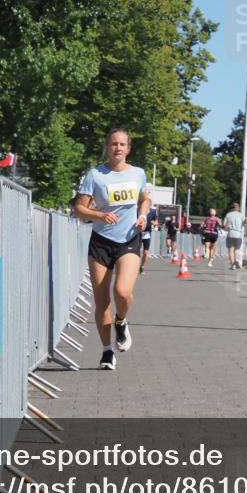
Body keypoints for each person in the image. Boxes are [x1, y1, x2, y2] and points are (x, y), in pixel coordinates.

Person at [74, 128, 151, 371]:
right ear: (107, 147)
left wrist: (143, 216)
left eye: (122, 144)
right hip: (100, 242)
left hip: (129, 239)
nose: (118, 148)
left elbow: (144, 199)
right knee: (102, 301)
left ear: (128, 149)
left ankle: (121, 321)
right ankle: (107, 352)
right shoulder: (95, 175)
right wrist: (99, 215)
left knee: (122, 291)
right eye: (113, 144)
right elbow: (79, 209)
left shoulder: (138, 173)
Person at [223, 202, 244, 270]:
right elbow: (244, 223)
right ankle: (237, 260)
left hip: (230, 234)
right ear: (238, 208)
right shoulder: (241, 215)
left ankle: (233, 264)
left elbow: (224, 225)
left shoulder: (228, 215)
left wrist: (227, 228)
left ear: (232, 208)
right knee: (237, 249)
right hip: (238, 235)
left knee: (231, 250)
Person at [139, 205, 158, 274]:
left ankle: (142, 266)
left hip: (147, 233)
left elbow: (156, 222)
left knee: (146, 252)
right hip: (138, 232)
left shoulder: (153, 211)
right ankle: (134, 266)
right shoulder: (138, 209)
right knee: (137, 251)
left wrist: (154, 223)